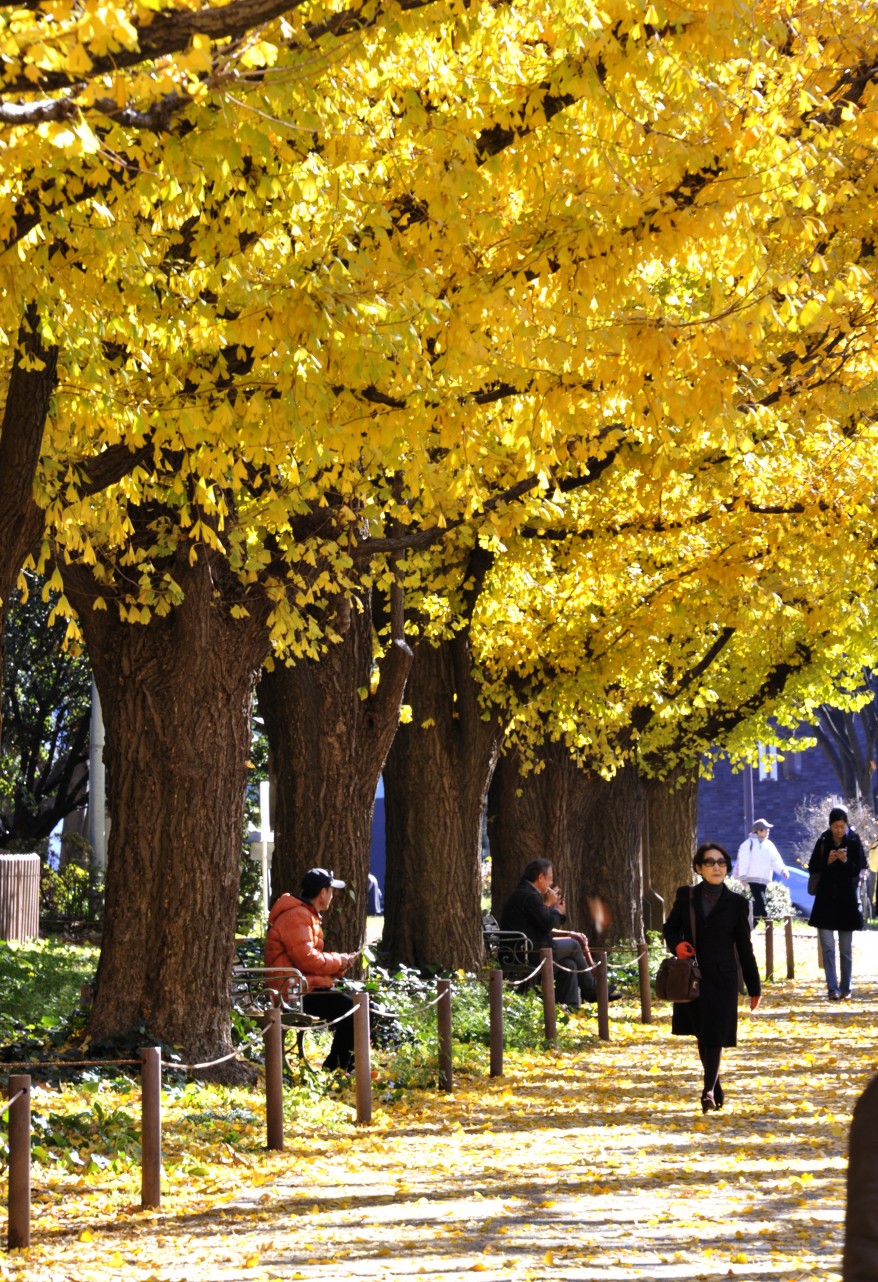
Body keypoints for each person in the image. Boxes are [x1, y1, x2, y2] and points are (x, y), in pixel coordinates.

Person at [663, 842, 761, 1113]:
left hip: (723, 979)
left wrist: (754, 987)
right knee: (702, 1035)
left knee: (715, 1035)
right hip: (691, 977)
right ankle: (715, 1084)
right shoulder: (686, 897)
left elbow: (744, 947)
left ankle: (706, 1090)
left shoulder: (737, 904)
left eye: (721, 863)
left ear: (727, 868)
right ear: (699, 867)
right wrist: (676, 946)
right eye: (710, 862)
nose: (716, 867)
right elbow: (670, 928)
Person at [265, 867, 359, 1071]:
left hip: (301, 987)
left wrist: (340, 965)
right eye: (331, 891)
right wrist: (339, 959)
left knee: (360, 1006)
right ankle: (337, 1068)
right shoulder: (297, 916)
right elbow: (307, 959)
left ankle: (343, 1066)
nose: (333, 895)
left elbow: (307, 961)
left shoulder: (306, 915)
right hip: (292, 993)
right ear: (323, 893)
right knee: (352, 1008)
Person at [499, 859, 599, 1008]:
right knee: (574, 945)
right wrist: (557, 911)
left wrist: (551, 907)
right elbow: (546, 925)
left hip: (526, 947)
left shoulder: (526, 893)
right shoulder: (529, 896)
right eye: (550, 878)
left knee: (569, 964)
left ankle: (570, 1008)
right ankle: (590, 988)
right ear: (540, 877)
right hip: (527, 950)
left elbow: (540, 920)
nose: (551, 883)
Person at [807, 806, 866, 1001]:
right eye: (835, 826)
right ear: (830, 825)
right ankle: (832, 988)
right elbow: (813, 866)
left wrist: (845, 860)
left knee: (845, 948)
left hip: (846, 901)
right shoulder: (823, 840)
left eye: (842, 826)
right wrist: (828, 861)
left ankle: (846, 987)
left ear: (847, 824)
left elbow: (857, 869)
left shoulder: (854, 840)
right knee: (828, 948)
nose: (839, 830)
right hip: (825, 901)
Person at [735, 818, 789, 921]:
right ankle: (767, 920)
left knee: (758, 904)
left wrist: (783, 870)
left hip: (764, 879)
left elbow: (776, 859)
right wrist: (743, 877)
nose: (768, 831)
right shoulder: (748, 844)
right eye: (766, 829)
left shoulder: (769, 844)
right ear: (759, 831)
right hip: (752, 878)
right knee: (761, 900)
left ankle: (752, 924)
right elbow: (743, 861)